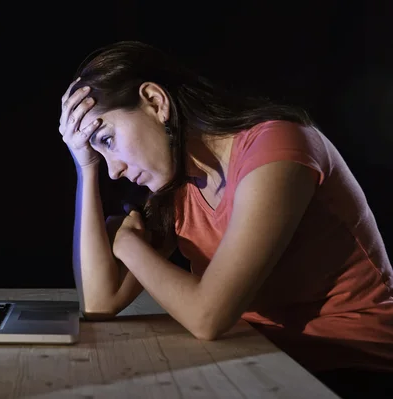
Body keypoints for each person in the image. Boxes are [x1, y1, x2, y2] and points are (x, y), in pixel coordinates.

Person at [57, 41, 393, 398]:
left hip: (352, 365)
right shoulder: (178, 186)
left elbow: (208, 318)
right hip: (257, 356)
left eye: (107, 140)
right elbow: (99, 303)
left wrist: (127, 244)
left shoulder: (277, 148)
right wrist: (86, 168)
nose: (114, 171)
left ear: (156, 101)